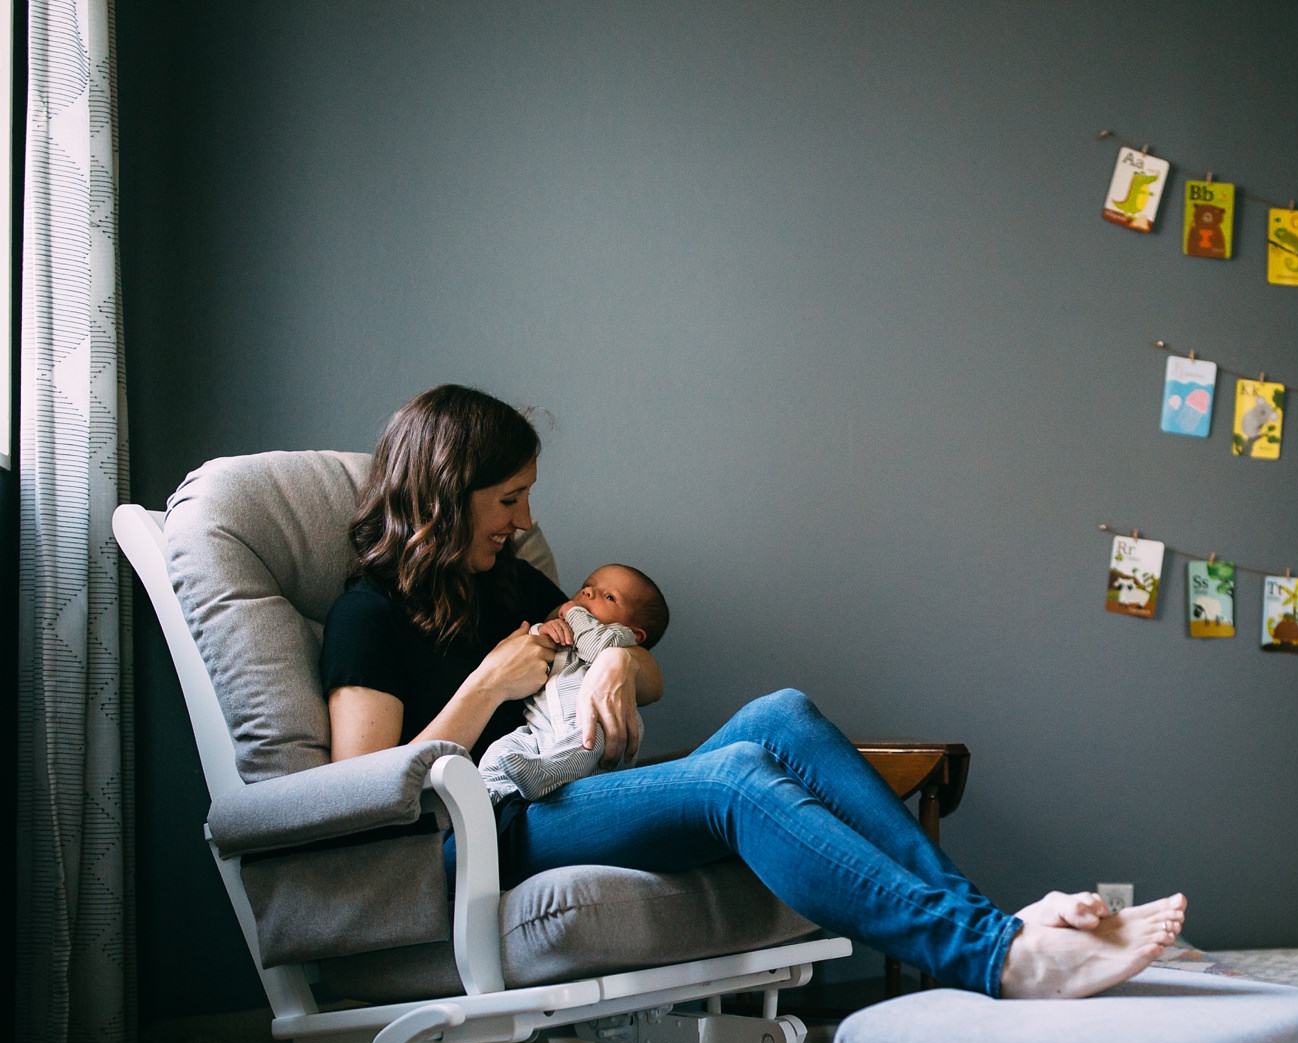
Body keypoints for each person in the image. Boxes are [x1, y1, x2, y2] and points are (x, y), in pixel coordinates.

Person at [321, 384, 1185, 999]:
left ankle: (990, 928)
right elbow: (371, 797)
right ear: (446, 493)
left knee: (782, 712)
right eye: (508, 499)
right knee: (736, 776)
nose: (527, 522)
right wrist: (483, 686)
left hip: (569, 789)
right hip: (485, 830)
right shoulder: (368, 616)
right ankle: (994, 954)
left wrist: (619, 655)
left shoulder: (508, 585)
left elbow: (642, 674)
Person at [475, 563, 669, 803]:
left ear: (635, 633)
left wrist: (574, 612)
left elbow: (594, 647)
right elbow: (525, 657)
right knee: (504, 749)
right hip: (542, 730)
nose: (588, 593)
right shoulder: (567, 625)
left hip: (597, 723)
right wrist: (544, 630)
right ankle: (487, 795)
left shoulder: (619, 637)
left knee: (588, 741)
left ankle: (543, 774)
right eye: (587, 587)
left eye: (609, 597)